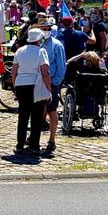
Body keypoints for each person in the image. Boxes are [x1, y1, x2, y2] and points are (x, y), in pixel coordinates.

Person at [11, 28, 51, 156]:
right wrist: (48, 89)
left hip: (21, 84)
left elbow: (14, 70)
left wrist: (15, 86)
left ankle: (20, 144)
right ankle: (34, 145)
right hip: (35, 85)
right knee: (36, 116)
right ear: (39, 40)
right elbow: (45, 72)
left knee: (23, 116)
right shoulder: (41, 52)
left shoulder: (20, 51)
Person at [38, 18, 66, 153]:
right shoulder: (38, 43)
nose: (46, 31)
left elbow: (61, 66)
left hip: (52, 82)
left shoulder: (56, 45)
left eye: (48, 29)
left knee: (52, 110)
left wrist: (55, 83)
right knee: (38, 110)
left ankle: (52, 140)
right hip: (38, 82)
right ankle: (34, 137)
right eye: (43, 29)